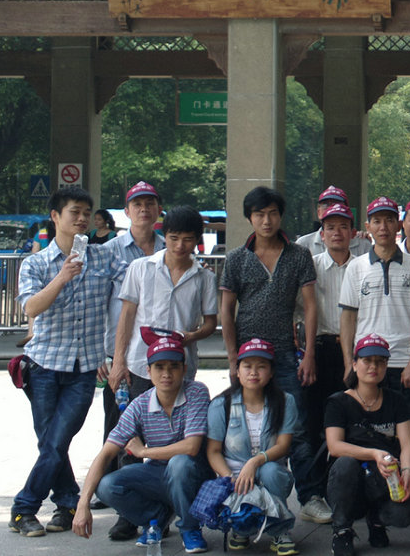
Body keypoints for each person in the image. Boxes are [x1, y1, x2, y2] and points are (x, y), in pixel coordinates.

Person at [12, 186, 121, 539]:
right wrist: (61, 278)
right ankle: (67, 501)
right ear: (56, 217)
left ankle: (24, 508)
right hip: (42, 366)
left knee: (56, 442)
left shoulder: (103, 258)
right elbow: (30, 308)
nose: (82, 219)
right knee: (53, 444)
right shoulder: (36, 263)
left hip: (84, 370)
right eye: (74, 212)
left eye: (87, 213)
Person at [219, 186, 323, 519]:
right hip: (248, 357)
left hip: (283, 354)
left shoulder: (298, 255)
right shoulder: (236, 258)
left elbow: (310, 305)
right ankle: (240, 494)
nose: (267, 220)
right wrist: (233, 357)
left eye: (273, 213)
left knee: (298, 425)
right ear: (249, 217)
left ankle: (310, 498)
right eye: (260, 214)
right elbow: (226, 310)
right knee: (243, 426)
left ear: (281, 216)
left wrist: (308, 354)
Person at [71, 334, 213, 553]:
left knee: (180, 463)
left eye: (173, 367)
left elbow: (191, 447)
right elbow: (106, 454)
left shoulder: (196, 392)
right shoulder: (139, 405)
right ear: (148, 371)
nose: (166, 374)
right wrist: (82, 504)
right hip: (159, 474)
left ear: (184, 369)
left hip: (196, 473)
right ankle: (156, 517)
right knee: (107, 485)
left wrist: (144, 451)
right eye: (159, 367)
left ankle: (189, 528)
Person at [99, 180, 165, 540]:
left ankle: (160, 506)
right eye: (137, 204)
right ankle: (127, 511)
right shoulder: (109, 251)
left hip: (164, 361)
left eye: (150, 203)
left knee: (162, 432)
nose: (143, 209)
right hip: (122, 358)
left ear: (159, 210)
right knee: (124, 433)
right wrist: (106, 355)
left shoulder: (170, 248)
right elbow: (97, 304)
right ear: (126, 212)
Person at [338, 197, 410, 437]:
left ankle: (408, 474)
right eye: (377, 221)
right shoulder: (356, 267)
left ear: (398, 225)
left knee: (407, 431)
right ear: (367, 227)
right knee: (366, 430)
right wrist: (349, 362)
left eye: (389, 221)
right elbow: (348, 318)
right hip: (367, 362)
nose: (383, 227)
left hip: (405, 365)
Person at [325, 334, 410, 556]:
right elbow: (335, 446)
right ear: (355, 364)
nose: (373, 366)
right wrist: (373, 453)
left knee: (405, 514)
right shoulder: (338, 402)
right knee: (346, 464)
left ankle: (376, 521)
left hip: (385, 476)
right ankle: (342, 530)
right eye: (367, 361)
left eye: (380, 361)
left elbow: (408, 444)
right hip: (347, 479)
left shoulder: (395, 400)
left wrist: (407, 469)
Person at [206, 339, 301, 555]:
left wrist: (255, 461)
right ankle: (241, 527)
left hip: (269, 469)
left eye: (261, 366)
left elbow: (283, 446)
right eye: (247, 366)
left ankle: (279, 531)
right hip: (233, 474)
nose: (254, 372)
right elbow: (212, 451)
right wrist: (229, 476)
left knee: (270, 471)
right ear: (237, 370)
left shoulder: (286, 401)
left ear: (271, 372)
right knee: (241, 486)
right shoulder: (222, 404)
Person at [111, 206, 217, 399]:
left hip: (180, 365)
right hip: (141, 363)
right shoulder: (140, 268)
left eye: (187, 239)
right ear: (165, 235)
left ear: (196, 240)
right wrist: (118, 362)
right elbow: (126, 316)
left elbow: (210, 323)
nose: (180, 246)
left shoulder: (205, 277)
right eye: (174, 238)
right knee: (136, 423)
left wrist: (191, 336)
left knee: (176, 424)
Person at [297, 201, 357, 524]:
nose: (337, 233)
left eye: (343, 226)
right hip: (318, 351)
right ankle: (312, 493)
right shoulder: (311, 266)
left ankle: (345, 491)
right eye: (330, 227)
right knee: (313, 423)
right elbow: (296, 307)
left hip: (354, 355)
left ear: (353, 232)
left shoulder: (363, 266)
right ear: (322, 234)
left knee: (350, 422)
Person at [296, 185, 372, 256]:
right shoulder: (303, 244)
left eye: (337, 204)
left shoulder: (363, 245)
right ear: (318, 212)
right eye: (326, 205)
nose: (332, 208)